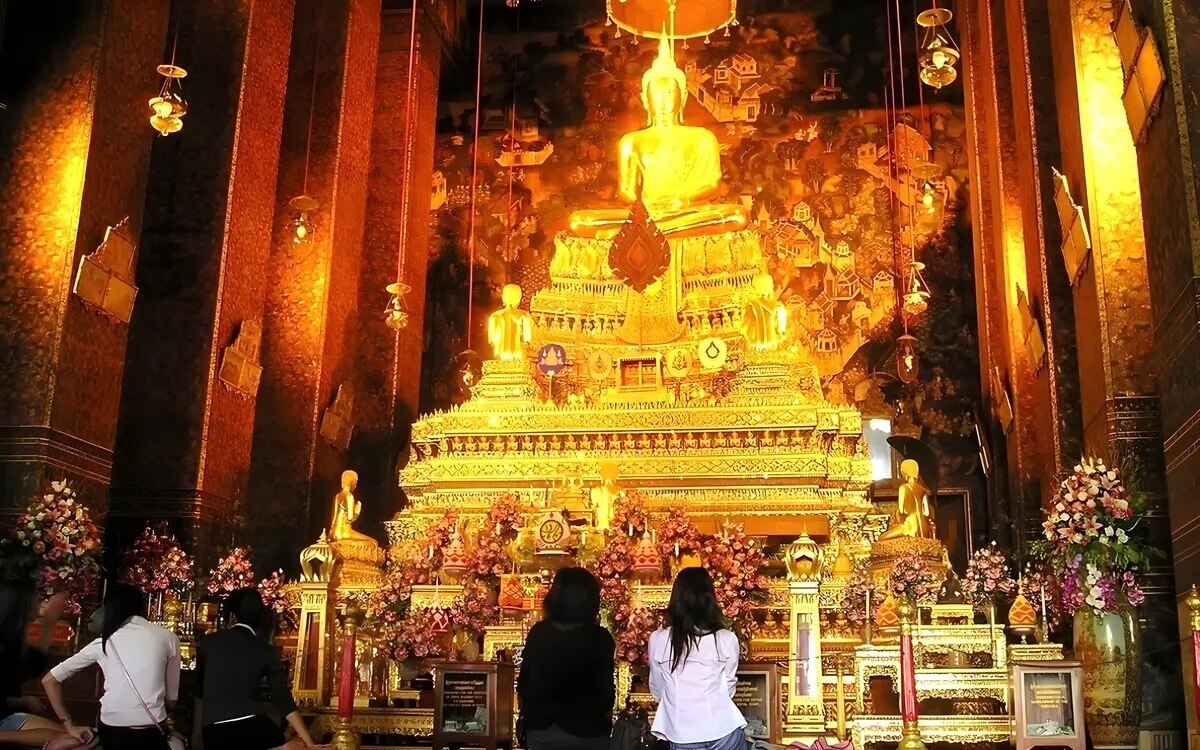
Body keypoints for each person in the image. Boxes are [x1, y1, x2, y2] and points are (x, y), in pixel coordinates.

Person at [42, 583, 180, 750]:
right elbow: (171, 702)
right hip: (151, 731)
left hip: (112, 730)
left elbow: (49, 680)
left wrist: (69, 725)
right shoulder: (169, 638)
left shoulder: (104, 642)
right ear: (142, 607)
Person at [194, 588, 319, 749]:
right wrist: (310, 742)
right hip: (253, 727)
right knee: (277, 735)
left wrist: (197, 734)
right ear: (261, 618)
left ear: (232, 616)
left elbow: (200, 692)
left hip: (214, 730)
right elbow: (283, 700)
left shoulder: (208, 643)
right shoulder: (266, 650)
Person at [517, 568, 615, 750]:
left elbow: (524, 685)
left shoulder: (539, 633)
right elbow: (607, 695)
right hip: (588, 732)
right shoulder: (600, 638)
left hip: (542, 732)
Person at [648, 568, 745, 750]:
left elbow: (658, 689)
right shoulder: (726, 639)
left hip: (683, 734)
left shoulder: (659, 639)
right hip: (724, 730)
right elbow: (728, 688)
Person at [0, 578, 70, 742]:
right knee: (70, 740)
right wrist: (50, 621)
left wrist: (50, 621)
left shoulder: (10, 640)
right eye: (35, 596)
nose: (38, 601)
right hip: (4, 720)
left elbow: (31, 665)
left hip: (6, 715)